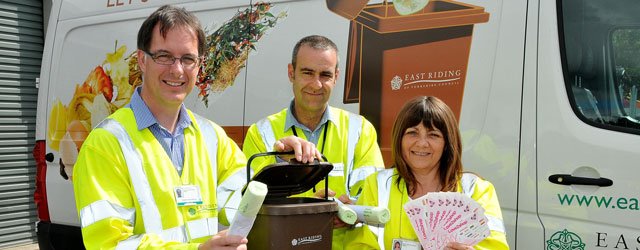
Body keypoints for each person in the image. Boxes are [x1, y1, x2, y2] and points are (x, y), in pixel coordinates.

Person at [72, 5, 320, 249]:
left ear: (199, 65)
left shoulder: (212, 136)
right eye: (164, 56)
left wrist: (282, 165)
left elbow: (241, 206)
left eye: (188, 59)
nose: (177, 69)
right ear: (142, 61)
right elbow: (110, 244)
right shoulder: (106, 143)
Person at [242, 35, 385, 249]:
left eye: (325, 75)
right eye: (307, 72)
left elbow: (375, 198)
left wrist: (350, 210)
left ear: (336, 77)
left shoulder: (360, 130)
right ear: (292, 73)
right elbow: (247, 206)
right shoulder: (261, 133)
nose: (316, 84)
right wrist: (280, 162)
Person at [344, 96, 509, 250]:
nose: (422, 143)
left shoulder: (476, 190)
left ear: (447, 143)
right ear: (399, 139)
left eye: (433, 135)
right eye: (412, 133)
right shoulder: (377, 185)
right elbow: (359, 245)